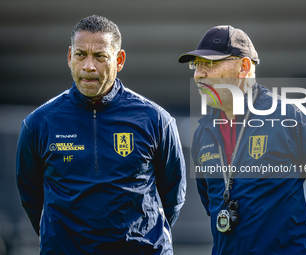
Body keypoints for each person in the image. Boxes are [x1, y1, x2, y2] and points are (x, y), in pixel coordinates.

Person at [16, 15, 186, 254]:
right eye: (80, 54)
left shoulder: (156, 120)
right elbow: (30, 197)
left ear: (119, 60)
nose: (89, 66)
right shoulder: (38, 123)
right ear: (69, 57)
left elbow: (173, 195)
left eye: (100, 56)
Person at [178, 25, 306, 254]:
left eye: (210, 63)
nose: (199, 74)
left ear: (244, 67)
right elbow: (212, 204)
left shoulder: (294, 119)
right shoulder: (203, 132)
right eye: (196, 65)